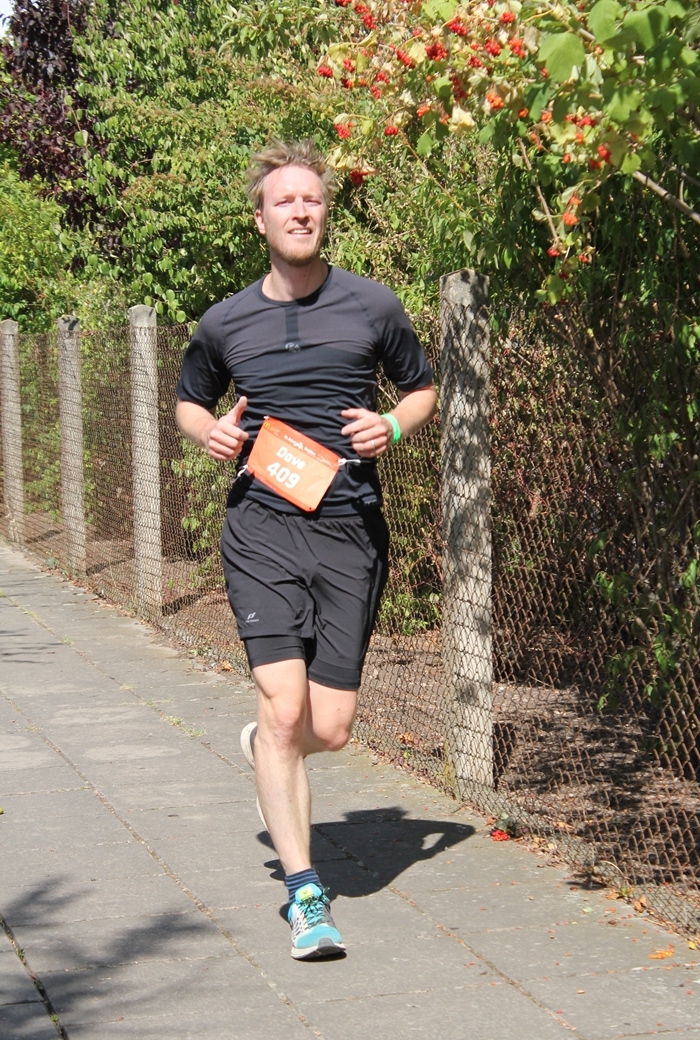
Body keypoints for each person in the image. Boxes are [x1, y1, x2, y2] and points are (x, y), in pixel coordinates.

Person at [175, 138, 437, 959]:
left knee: (331, 727)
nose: (299, 211)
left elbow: (422, 388)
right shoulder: (226, 320)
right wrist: (210, 432)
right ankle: (306, 894)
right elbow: (189, 402)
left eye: (312, 200)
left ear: (326, 214)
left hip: (349, 526)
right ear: (260, 220)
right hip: (261, 525)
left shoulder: (373, 306)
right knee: (285, 706)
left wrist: (392, 424)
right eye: (284, 201)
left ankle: (271, 749)